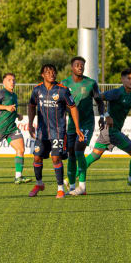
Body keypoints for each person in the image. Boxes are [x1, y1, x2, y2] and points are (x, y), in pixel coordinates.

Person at [82, 68, 131, 190]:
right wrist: (106, 115)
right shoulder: (116, 92)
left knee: (94, 155)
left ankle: (69, 178)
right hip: (111, 131)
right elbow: (98, 98)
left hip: (111, 130)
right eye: (129, 78)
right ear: (122, 79)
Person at [27, 64, 84, 199]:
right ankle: (39, 184)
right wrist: (30, 123)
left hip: (58, 131)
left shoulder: (62, 90)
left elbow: (73, 107)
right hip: (42, 132)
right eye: (48, 72)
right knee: (36, 157)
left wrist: (77, 127)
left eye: (53, 72)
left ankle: (60, 189)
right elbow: (31, 106)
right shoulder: (37, 90)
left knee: (55, 158)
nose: (52, 74)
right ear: (43, 75)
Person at [61, 56, 104, 195]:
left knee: (79, 150)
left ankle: (83, 187)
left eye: (82, 65)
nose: (80, 67)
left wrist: (102, 116)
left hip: (87, 123)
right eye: (77, 64)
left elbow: (100, 101)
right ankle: (72, 186)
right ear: (72, 67)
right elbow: (60, 105)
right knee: (71, 154)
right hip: (72, 125)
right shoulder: (64, 83)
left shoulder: (91, 83)